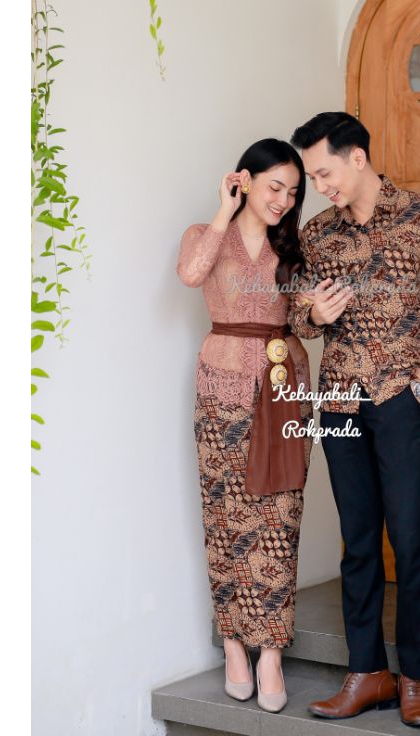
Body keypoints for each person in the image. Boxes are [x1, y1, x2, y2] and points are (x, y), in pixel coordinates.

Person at [288, 112, 420, 728]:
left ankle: (414, 676)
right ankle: (367, 672)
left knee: (411, 537)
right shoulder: (318, 234)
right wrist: (313, 316)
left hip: (402, 399)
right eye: (313, 178)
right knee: (359, 540)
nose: (320, 187)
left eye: (325, 173)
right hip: (339, 403)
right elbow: (295, 314)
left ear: (357, 158)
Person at [176, 138, 314, 714]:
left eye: (293, 191)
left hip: (285, 389)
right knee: (225, 517)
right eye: (275, 186)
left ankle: (272, 653)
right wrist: (223, 211)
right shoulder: (205, 234)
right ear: (245, 180)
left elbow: (309, 317)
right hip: (222, 392)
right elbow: (191, 274)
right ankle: (234, 643)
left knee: (280, 519)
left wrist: (321, 309)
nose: (283, 200)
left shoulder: (295, 248)